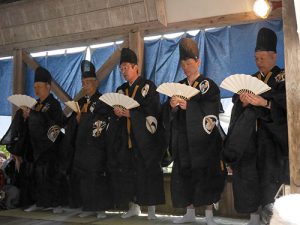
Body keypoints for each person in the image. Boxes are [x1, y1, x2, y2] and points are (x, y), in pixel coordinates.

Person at [223, 27, 288, 225]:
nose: (258, 62)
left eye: (262, 58)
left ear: (274, 56)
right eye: (256, 58)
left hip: (272, 141)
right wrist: (242, 102)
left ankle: (271, 220)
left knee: (270, 180)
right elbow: (237, 111)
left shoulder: (284, 78)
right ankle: (252, 218)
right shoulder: (251, 80)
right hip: (250, 140)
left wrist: (265, 103)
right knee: (249, 177)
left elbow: (287, 104)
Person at [162, 38, 226, 224]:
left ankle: (208, 215)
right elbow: (166, 113)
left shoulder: (208, 85)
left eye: (189, 63)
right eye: (183, 64)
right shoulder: (179, 86)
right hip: (183, 138)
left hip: (204, 142)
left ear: (198, 62)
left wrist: (189, 106)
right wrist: (171, 105)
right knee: (183, 175)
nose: (186, 67)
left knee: (205, 175)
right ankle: (188, 212)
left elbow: (211, 112)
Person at [106, 48, 165, 220]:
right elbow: (114, 114)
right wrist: (116, 114)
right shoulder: (121, 89)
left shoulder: (148, 86)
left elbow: (152, 112)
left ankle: (152, 210)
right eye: (121, 68)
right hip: (127, 140)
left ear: (136, 67)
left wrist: (132, 114)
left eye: (126, 67)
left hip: (145, 142)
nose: (123, 71)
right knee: (128, 174)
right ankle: (134, 207)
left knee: (148, 173)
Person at [1, 67, 64, 211]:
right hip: (33, 149)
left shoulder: (54, 105)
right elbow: (25, 126)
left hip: (49, 149)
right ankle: (37, 202)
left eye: (39, 86)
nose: (36, 90)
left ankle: (54, 203)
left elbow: (55, 126)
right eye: (34, 87)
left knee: (49, 175)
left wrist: (34, 116)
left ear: (48, 86)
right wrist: (24, 117)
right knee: (34, 176)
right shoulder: (33, 104)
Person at [65, 60, 113, 218]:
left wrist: (86, 119)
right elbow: (71, 124)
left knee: (96, 176)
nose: (85, 85)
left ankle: (100, 209)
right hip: (82, 147)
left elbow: (103, 120)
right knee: (84, 178)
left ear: (96, 83)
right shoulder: (79, 103)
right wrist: (76, 120)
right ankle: (87, 207)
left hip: (96, 146)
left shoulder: (103, 100)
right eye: (83, 83)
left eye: (88, 82)